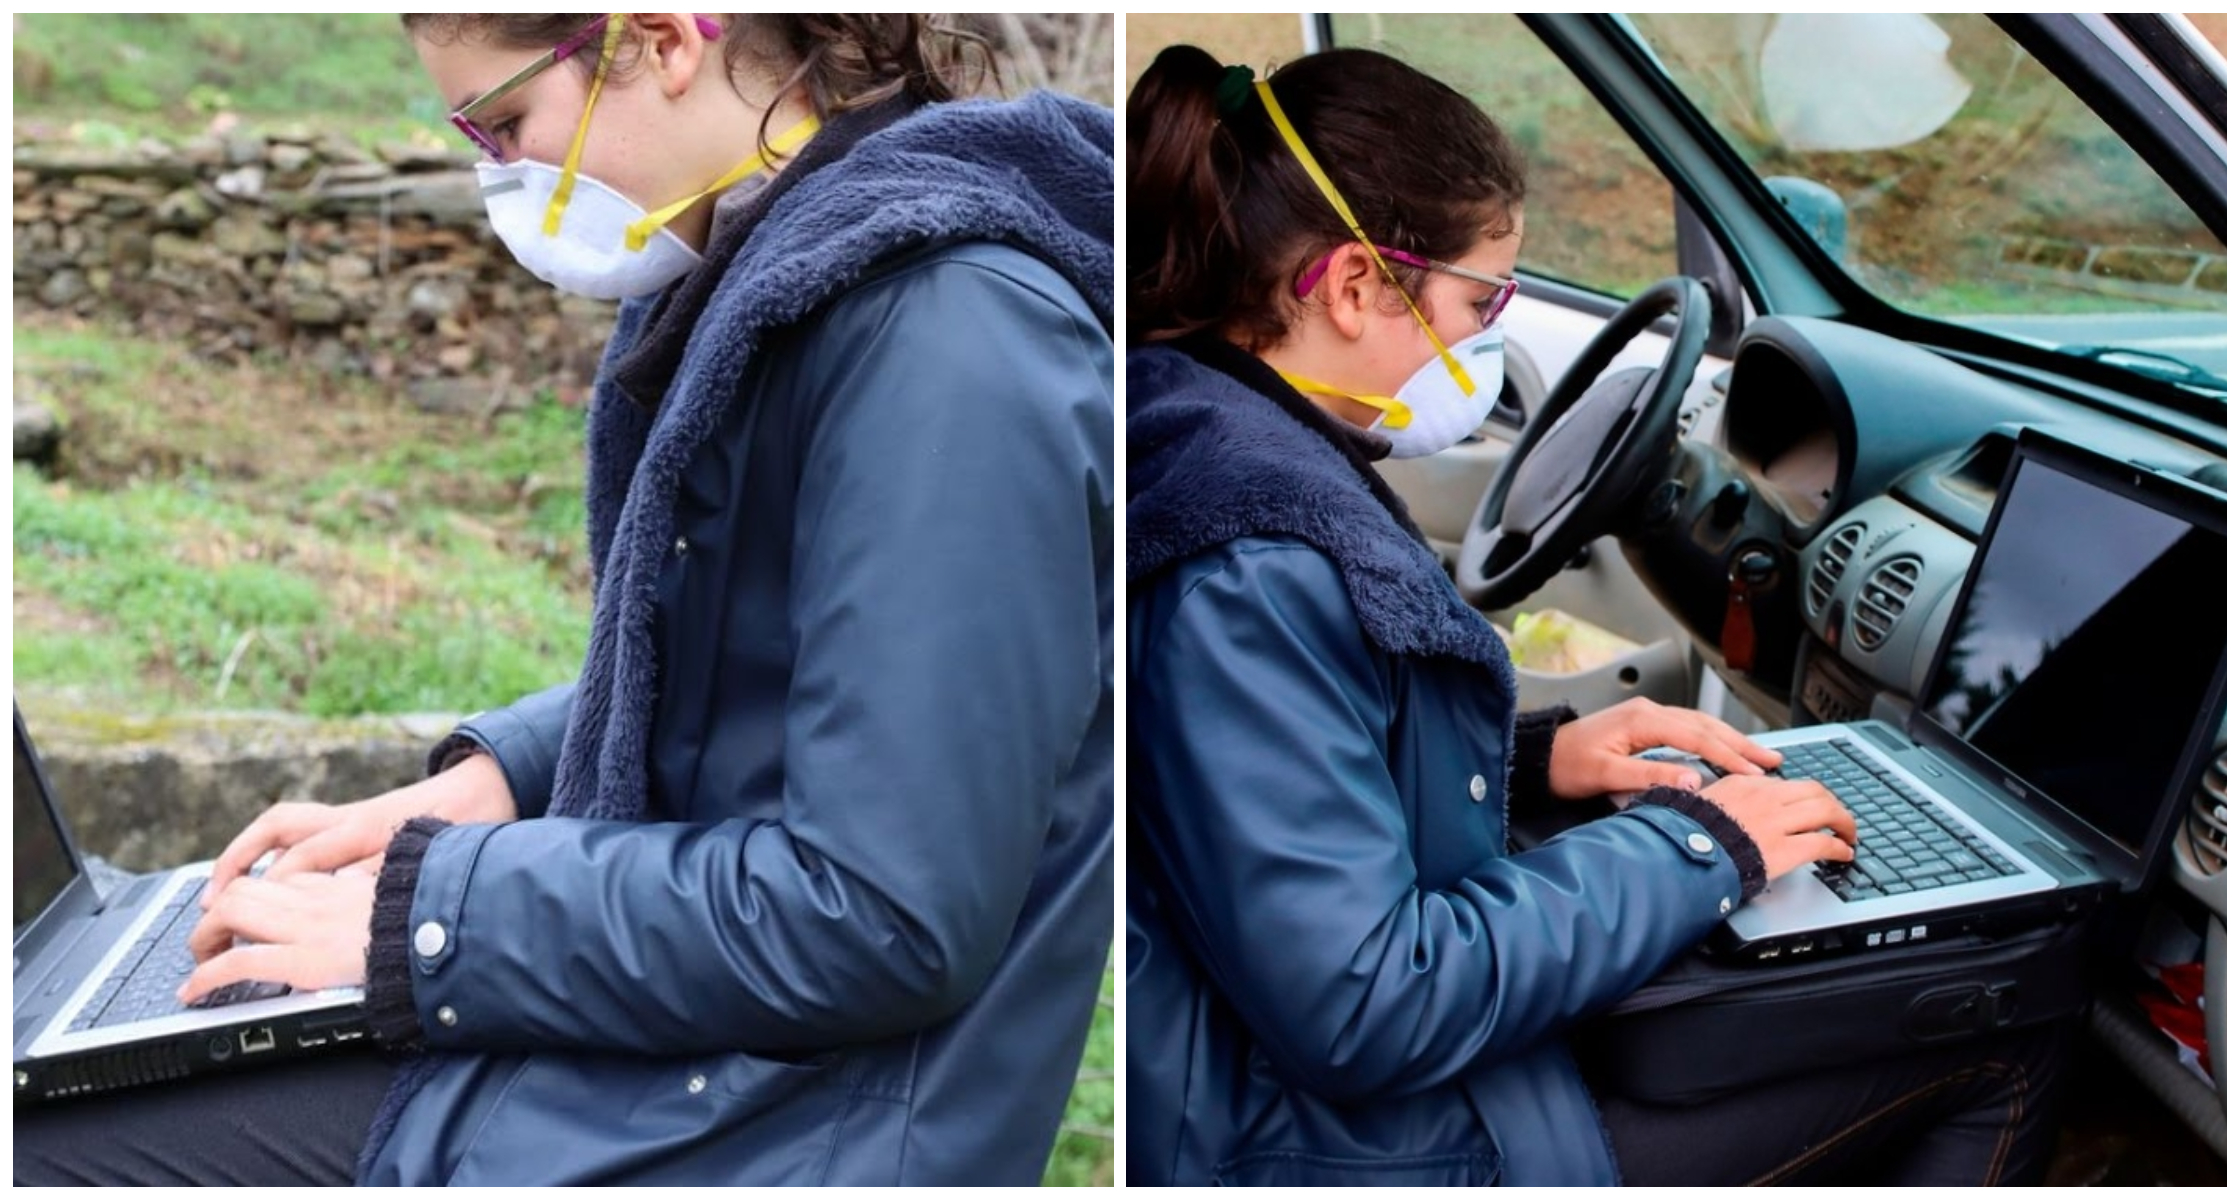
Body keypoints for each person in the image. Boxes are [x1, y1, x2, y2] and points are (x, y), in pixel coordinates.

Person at [18, 14, 1112, 1187]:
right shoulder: (772, 269)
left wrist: (427, 918)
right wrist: (502, 781)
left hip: (777, 1126)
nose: (500, 177)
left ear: (663, 38)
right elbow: (762, 671)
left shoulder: (947, 341)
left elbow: (878, 913)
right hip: (691, 1045)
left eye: (503, 123)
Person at [1124, 44, 2064, 1187]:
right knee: (2002, 1028)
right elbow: (1366, 1004)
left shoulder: (1211, 443)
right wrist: (1701, 845)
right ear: (1355, 285)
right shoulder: (1250, 566)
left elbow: (1292, 799)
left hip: (1303, 1082)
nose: (1484, 339)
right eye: (1481, 301)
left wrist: (1526, 764)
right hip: (1332, 1141)